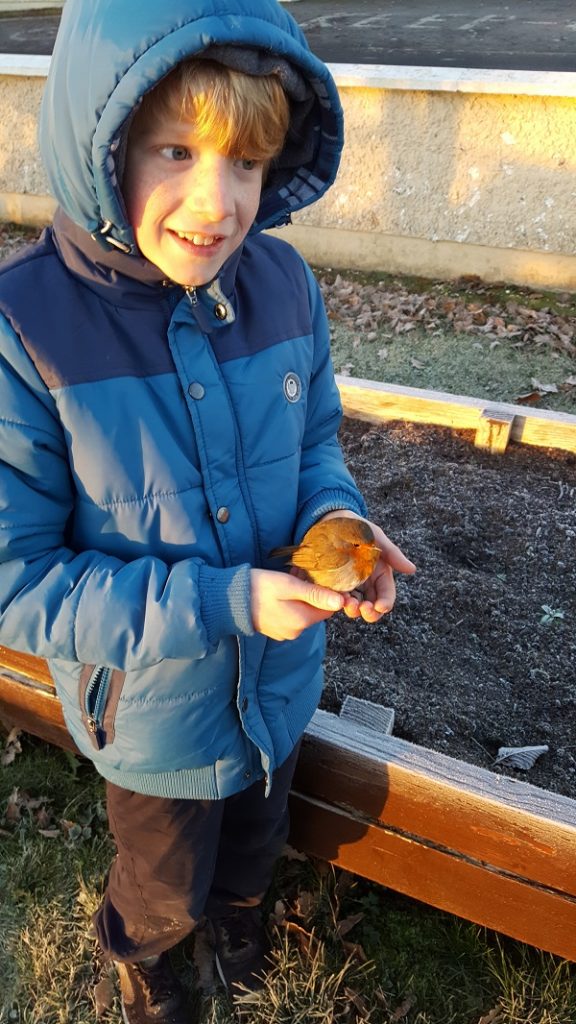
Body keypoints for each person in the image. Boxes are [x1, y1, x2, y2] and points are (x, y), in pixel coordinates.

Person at [0, 1, 415, 1021]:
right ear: (100, 144)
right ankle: (147, 963)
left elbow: (315, 442)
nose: (216, 200)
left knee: (252, 839)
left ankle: (237, 924)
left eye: (245, 162)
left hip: (278, 683)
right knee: (161, 872)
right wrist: (230, 600)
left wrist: (342, 527)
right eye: (176, 150)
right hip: (150, 717)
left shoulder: (281, 286)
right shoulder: (29, 330)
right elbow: (19, 580)